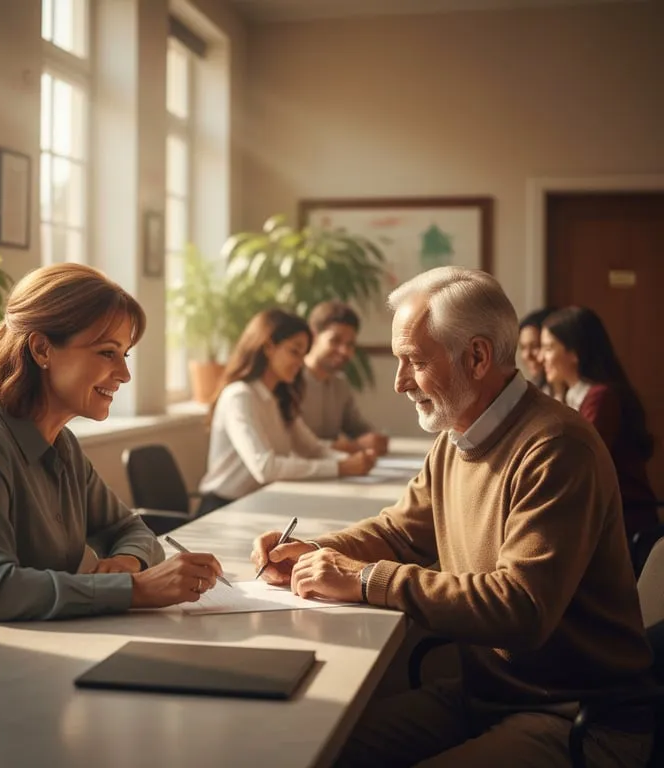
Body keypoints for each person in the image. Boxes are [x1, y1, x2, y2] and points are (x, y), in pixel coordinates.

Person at [252, 267, 653, 767]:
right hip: (487, 695)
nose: (399, 383)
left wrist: (365, 579)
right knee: (320, 748)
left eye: (413, 361)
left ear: (478, 357)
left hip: (577, 717)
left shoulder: (556, 446)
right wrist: (314, 551)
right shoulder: (455, 438)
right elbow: (399, 531)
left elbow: (521, 607)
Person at [0, 263, 224, 666]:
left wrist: (127, 563)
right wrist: (135, 588)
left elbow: (128, 527)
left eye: (124, 354)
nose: (123, 373)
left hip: (26, 647)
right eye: (107, 353)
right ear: (41, 349)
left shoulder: (62, 444)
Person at [198, 308, 376, 515]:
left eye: (303, 354)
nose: (301, 363)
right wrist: (342, 467)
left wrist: (352, 461)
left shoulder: (279, 398)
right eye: (294, 351)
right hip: (223, 509)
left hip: (260, 503)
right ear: (268, 348)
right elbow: (266, 468)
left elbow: (313, 449)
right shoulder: (239, 396)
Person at [541, 306, 658, 543]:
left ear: (575, 352)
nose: (541, 357)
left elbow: (579, 463)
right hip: (596, 514)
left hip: (622, 522)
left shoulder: (601, 397)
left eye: (549, 348)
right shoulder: (571, 396)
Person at [300, 301, 389, 455]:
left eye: (350, 344)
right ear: (313, 336)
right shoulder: (289, 381)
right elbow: (292, 445)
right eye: (335, 341)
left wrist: (374, 438)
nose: (344, 351)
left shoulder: (340, 383)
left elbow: (356, 428)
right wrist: (354, 446)